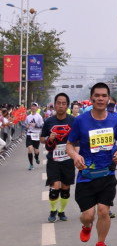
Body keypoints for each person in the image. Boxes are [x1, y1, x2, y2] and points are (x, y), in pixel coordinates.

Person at [66, 83, 117, 246]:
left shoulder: (114, 120)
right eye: (97, 95)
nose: (101, 98)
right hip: (86, 175)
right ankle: (87, 226)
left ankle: (101, 242)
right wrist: (76, 156)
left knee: (103, 211)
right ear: (92, 97)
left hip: (107, 174)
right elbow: (69, 145)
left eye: (104, 95)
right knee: (88, 216)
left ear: (108, 98)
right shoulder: (81, 120)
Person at [40, 92, 76, 223]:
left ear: (67, 106)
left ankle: (61, 211)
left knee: (66, 188)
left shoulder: (73, 121)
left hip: (68, 159)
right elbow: (42, 139)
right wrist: (49, 138)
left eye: (63, 103)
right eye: (58, 103)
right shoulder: (49, 121)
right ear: (54, 105)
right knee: (54, 187)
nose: (61, 106)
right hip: (53, 159)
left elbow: (78, 138)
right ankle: (53, 209)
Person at [25, 102, 44, 170]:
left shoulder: (39, 116)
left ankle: (36, 157)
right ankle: (31, 164)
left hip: (36, 134)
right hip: (29, 134)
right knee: (30, 149)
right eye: (32, 106)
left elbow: (42, 125)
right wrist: (26, 126)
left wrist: (35, 125)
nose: (33, 107)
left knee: (36, 150)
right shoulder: (28, 117)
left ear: (37, 108)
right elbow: (25, 125)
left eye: (34, 106)